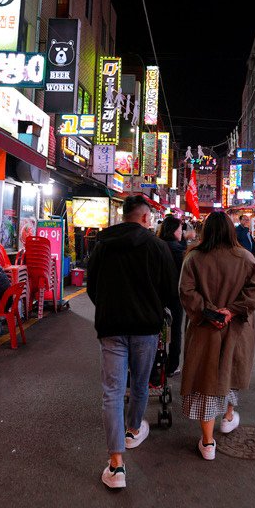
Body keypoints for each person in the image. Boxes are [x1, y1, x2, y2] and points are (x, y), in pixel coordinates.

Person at [87, 194, 178, 489]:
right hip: (146, 329)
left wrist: (107, 307)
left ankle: (116, 466)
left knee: (112, 392)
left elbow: (92, 287)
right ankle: (133, 430)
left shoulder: (103, 245)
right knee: (140, 383)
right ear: (143, 217)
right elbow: (168, 291)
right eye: (149, 217)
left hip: (111, 327)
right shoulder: (158, 247)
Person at [179, 211, 255, 460]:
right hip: (236, 330)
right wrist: (232, 310)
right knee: (229, 374)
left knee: (205, 383)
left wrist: (209, 311)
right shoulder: (246, 258)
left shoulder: (193, 257)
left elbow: (186, 291)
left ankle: (208, 442)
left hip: (205, 330)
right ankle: (228, 416)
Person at [158, 215, 186, 376]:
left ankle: (156, 361)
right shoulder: (179, 250)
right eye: (180, 229)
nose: (181, 232)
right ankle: (172, 365)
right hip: (175, 296)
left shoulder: (156, 245)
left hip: (157, 295)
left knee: (157, 329)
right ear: (173, 230)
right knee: (175, 330)